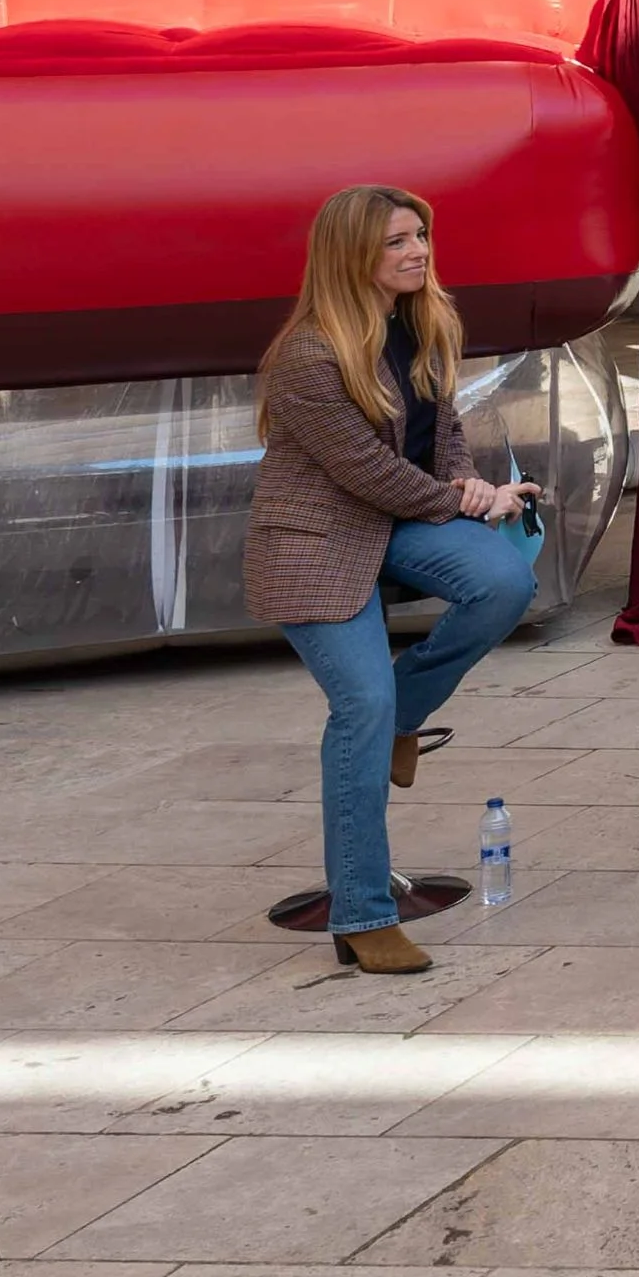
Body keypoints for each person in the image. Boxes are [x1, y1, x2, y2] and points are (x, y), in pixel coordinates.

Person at [247, 184, 544, 978]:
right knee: (361, 705)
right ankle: (363, 914)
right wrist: (457, 498)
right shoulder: (307, 355)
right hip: (317, 537)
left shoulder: (426, 322)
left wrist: (470, 485)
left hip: (401, 520)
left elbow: (441, 435)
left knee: (505, 582)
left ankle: (407, 715)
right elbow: (367, 471)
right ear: (352, 257)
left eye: (420, 236)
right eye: (396, 243)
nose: (417, 252)